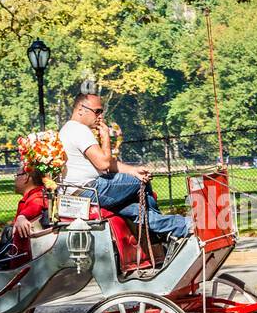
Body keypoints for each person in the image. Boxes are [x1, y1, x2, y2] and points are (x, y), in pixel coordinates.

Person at [58, 92, 191, 240]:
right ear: (80, 109)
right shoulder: (79, 130)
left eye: (102, 112)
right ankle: (157, 237)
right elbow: (104, 163)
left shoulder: (68, 129)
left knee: (136, 210)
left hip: (80, 192)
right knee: (142, 180)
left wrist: (132, 170)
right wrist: (105, 137)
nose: (100, 116)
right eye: (97, 111)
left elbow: (105, 162)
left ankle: (181, 226)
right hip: (92, 190)